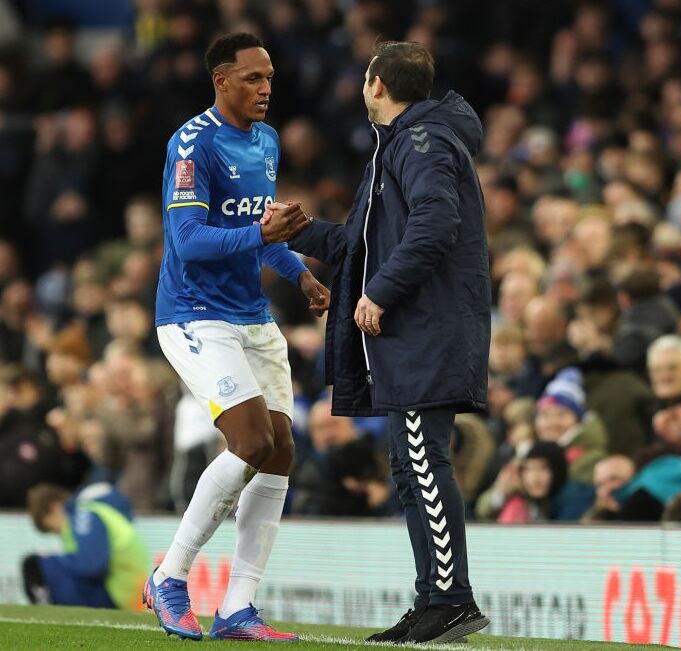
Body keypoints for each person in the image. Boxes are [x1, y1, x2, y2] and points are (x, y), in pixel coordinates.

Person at [274, 41, 491, 644]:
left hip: (424, 331)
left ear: (375, 84)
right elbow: (364, 245)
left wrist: (383, 291)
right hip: (412, 336)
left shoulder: (421, 142)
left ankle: (450, 599)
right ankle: (432, 599)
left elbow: (435, 221)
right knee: (409, 466)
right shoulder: (404, 144)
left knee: (423, 463)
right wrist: (303, 231)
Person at [143, 32, 329, 642]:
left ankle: (237, 608)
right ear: (221, 80)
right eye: (252, 77)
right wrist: (266, 236)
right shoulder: (191, 145)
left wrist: (300, 275)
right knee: (251, 438)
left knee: (280, 451)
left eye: (269, 76)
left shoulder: (267, 141)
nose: (266, 87)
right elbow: (191, 240)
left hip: (251, 314)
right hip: (195, 314)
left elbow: (257, 226)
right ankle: (170, 576)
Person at [23, 483, 149, 611]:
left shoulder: (84, 515)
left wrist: (57, 559)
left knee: (33, 564)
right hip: (127, 591)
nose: (55, 533)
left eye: (50, 528)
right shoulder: (85, 516)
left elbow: (93, 566)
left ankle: (45, 612)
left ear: (55, 507)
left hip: (119, 592)